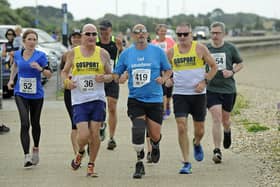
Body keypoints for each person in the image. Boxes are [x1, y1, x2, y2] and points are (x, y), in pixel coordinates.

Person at [113, 24, 172, 179]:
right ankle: (139, 163)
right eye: (137, 32)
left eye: (143, 32)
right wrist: (121, 78)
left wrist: (164, 78)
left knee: (154, 134)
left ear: (147, 34)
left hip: (154, 99)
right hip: (136, 99)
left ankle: (155, 144)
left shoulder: (157, 51)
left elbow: (168, 69)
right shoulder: (126, 54)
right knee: (138, 129)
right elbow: (116, 74)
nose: (140, 34)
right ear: (132, 35)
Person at [61, 23, 113, 177]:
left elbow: (112, 76)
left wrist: (104, 77)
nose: (91, 37)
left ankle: (91, 164)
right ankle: (81, 152)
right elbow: (64, 72)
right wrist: (67, 82)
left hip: (97, 99)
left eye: (93, 34)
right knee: (83, 135)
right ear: (82, 36)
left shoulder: (103, 54)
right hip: (79, 99)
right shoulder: (72, 54)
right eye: (88, 34)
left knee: (95, 133)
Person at [166, 23, 217, 174]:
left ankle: (197, 142)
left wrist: (204, 81)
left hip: (198, 95)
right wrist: (168, 79)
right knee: (181, 126)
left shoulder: (200, 49)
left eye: (185, 34)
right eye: (179, 34)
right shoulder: (171, 52)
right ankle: (186, 162)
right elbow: (166, 70)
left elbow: (214, 67)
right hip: (180, 94)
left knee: (199, 130)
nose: (182, 37)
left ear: (191, 34)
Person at [7, 29, 52, 168]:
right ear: (24, 41)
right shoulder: (17, 54)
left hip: (36, 94)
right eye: (30, 39)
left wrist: (39, 68)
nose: (32, 42)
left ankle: (36, 149)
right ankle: (26, 156)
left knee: (35, 123)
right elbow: (15, 66)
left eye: (34, 39)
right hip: (20, 93)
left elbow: (49, 74)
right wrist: (11, 80)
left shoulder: (41, 56)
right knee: (25, 123)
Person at [206, 21, 244, 164]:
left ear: (223, 33)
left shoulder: (230, 48)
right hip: (211, 89)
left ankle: (227, 131)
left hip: (228, 89)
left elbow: (240, 63)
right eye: (213, 33)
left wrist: (232, 71)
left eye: (217, 33)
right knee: (216, 117)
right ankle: (217, 150)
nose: (215, 35)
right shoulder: (206, 49)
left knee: (225, 120)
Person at [143, 24, 176, 163]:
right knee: (145, 124)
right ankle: (150, 150)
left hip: (161, 80)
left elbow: (170, 61)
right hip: (143, 93)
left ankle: (166, 107)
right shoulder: (139, 56)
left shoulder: (167, 44)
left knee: (166, 99)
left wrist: (167, 77)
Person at [96, 20, 124, 150]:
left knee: (112, 107)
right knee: (100, 107)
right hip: (99, 78)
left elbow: (122, 56)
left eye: (106, 30)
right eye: (101, 30)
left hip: (112, 77)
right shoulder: (95, 42)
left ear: (110, 30)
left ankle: (112, 138)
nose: (103, 32)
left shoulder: (116, 42)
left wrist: (122, 72)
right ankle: (102, 125)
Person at [60, 29, 82, 155]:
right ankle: (76, 153)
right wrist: (67, 82)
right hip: (70, 92)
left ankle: (87, 144)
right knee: (75, 123)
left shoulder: (90, 54)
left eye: (78, 37)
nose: (76, 39)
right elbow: (61, 72)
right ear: (70, 40)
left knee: (87, 124)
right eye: (73, 37)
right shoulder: (66, 55)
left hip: (86, 91)